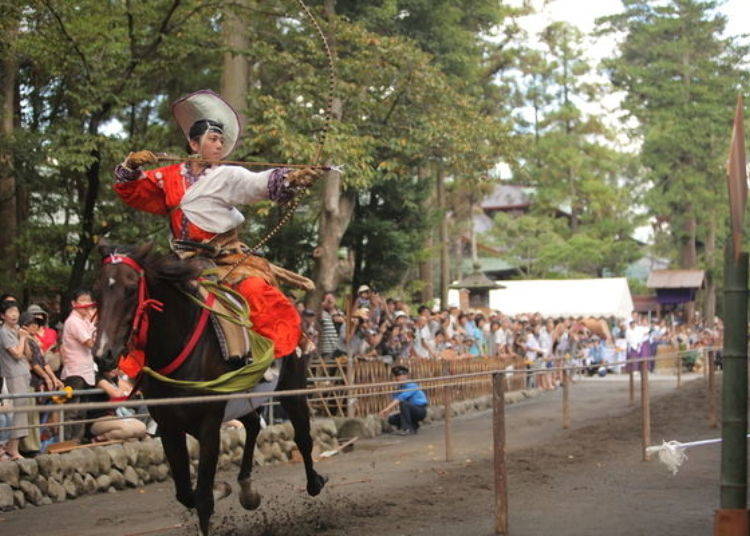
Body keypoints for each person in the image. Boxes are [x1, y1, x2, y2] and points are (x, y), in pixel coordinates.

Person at [113, 89, 321, 362]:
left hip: (221, 260)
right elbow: (134, 190)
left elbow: (255, 183)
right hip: (180, 260)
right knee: (144, 296)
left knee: (255, 290)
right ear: (194, 144)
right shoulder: (169, 176)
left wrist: (291, 179)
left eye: (221, 141)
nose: (219, 146)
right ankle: (130, 365)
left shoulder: (227, 175)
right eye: (213, 139)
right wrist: (130, 165)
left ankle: (276, 358)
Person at [0, 301, 32, 460]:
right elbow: (17, 354)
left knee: (22, 412)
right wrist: (22, 338)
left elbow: (28, 355)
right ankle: (11, 449)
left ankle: (13, 448)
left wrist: (24, 338)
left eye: (16, 311)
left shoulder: (18, 331)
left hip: (23, 373)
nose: (14, 314)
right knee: (16, 411)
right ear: (2, 315)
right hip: (13, 375)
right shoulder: (4, 332)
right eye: (10, 311)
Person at [379, 366, 428, 435]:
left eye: (399, 375)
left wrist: (387, 409)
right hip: (411, 410)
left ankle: (407, 429)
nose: (397, 378)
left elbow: (399, 399)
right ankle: (414, 426)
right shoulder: (400, 388)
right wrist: (388, 411)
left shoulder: (411, 385)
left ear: (406, 376)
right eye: (396, 376)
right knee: (391, 419)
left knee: (404, 404)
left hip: (420, 410)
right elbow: (395, 399)